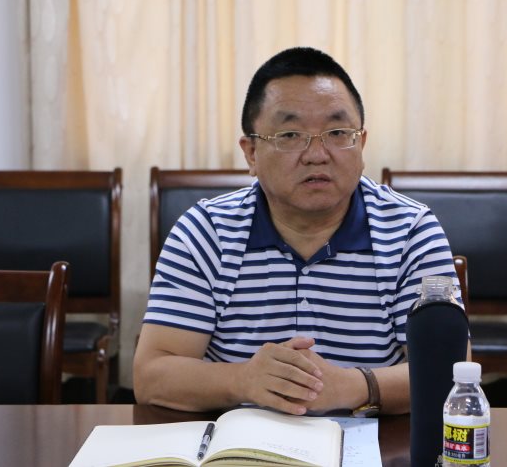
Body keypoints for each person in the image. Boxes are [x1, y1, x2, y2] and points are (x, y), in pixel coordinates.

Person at [134, 47, 463, 416]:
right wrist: (243, 380)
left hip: (373, 441)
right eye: (290, 135)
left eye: (337, 133)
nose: (317, 154)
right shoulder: (205, 232)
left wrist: (355, 385)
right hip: (240, 441)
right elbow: (151, 376)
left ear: (361, 144)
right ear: (251, 153)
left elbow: (451, 368)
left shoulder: (410, 231)